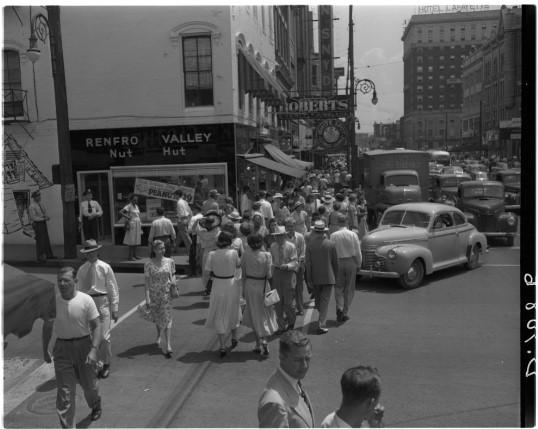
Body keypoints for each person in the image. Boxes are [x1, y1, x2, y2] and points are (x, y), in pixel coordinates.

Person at [42, 266, 102, 427]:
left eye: (66, 280)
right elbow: (47, 327)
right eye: (59, 281)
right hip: (62, 349)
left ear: (75, 281)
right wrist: (45, 350)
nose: (62, 284)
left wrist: (94, 350)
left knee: (90, 386)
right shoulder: (53, 302)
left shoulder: (86, 300)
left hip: (84, 346)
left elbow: (96, 326)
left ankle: (95, 404)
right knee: (65, 396)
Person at [76, 240, 119, 379]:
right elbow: (79, 290)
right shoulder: (82, 270)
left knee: (105, 337)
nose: (91, 255)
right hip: (88, 303)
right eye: (88, 253)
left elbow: (112, 287)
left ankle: (106, 363)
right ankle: (97, 364)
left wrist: (115, 307)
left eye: (92, 252)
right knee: (91, 337)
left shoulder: (105, 267)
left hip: (102, 302)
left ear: (97, 252)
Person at [258, 330, 314, 428]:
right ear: (281, 357)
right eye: (297, 360)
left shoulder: (294, 380)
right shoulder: (274, 404)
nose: (304, 365)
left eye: (307, 358)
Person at [204, 231, 242, 358]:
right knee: (233, 309)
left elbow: (208, 270)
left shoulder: (212, 254)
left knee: (220, 312)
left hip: (218, 284)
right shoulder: (234, 253)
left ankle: (221, 345)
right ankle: (234, 337)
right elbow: (238, 265)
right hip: (231, 284)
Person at [241, 233, 278, 356]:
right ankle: (263, 339)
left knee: (253, 313)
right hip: (263, 285)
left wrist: (242, 290)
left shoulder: (246, 255)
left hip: (250, 285)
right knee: (264, 313)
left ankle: (258, 342)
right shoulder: (267, 255)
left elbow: (244, 274)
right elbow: (269, 275)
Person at [143, 239, 177, 358]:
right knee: (157, 316)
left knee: (167, 318)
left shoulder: (170, 261)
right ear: (154, 250)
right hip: (154, 294)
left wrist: (173, 282)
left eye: (163, 248)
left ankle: (168, 345)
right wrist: (147, 298)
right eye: (160, 248)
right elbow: (147, 282)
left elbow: (173, 274)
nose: (163, 250)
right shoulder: (148, 264)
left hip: (166, 293)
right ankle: (158, 335)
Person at [305, 220, 338, 335]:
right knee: (323, 302)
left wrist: (308, 279)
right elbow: (335, 263)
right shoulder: (331, 244)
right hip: (329, 277)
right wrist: (336, 277)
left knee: (319, 302)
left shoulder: (309, 245)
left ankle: (321, 322)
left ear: (314, 231)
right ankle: (321, 322)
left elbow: (308, 264)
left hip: (315, 278)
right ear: (324, 231)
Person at [330, 213, 362, 323]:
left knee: (338, 287)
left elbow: (332, 252)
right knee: (349, 288)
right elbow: (357, 251)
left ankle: (339, 307)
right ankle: (345, 311)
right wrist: (359, 264)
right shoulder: (353, 235)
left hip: (338, 262)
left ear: (338, 222)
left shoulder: (333, 235)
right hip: (351, 261)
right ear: (347, 222)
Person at [269, 226, 298, 333]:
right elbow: (271, 261)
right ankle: (281, 326)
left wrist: (287, 266)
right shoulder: (272, 246)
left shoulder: (290, 246)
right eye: (276, 236)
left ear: (284, 236)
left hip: (288, 274)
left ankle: (291, 321)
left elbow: (295, 262)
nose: (278, 238)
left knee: (288, 302)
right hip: (276, 273)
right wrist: (270, 275)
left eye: (280, 236)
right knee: (277, 301)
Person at [284, 217, 306, 316]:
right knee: (288, 289)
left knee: (299, 288)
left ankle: (300, 307)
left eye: (292, 226)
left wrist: (299, 263)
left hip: (299, 266)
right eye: (288, 226)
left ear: (294, 226)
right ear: (285, 227)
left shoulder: (300, 237)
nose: (290, 228)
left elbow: (303, 251)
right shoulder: (283, 238)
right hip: (287, 267)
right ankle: (289, 310)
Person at [198, 210, 222, 296]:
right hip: (216, 252)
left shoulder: (202, 233)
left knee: (206, 272)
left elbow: (193, 229)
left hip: (207, 253)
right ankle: (214, 288)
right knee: (216, 271)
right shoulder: (218, 232)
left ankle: (207, 287)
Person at [29, 190, 56, 263]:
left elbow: (43, 212)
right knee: (40, 240)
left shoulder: (40, 204)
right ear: (34, 198)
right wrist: (43, 218)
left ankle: (48, 255)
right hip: (37, 224)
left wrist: (45, 216)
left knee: (46, 239)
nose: (39, 197)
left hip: (42, 223)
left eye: (39, 196)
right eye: (37, 196)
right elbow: (34, 217)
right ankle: (41, 257)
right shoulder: (32, 206)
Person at [120, 194, 143, 261]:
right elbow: (121, 212)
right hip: (132, 224)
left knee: (136, 240)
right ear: (131, 200)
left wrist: (140, 225)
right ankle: (130, 256)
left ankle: (135, 255)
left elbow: (138, 215)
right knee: (131, 241)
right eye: (134, 200)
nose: (135, 201)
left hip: (137, 224)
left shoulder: (136, 206)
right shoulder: (129, 206)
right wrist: (127, 217)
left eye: (136, 200)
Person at [174, 189, 193, 256]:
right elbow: (189, 212)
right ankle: (175, 249)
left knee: (186, 238)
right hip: (185, 219)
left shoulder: (179, 202)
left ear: (177, 195)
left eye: (175, 195)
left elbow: (182, 214)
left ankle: (191, 251)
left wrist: (180, 219)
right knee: (180, 236)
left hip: (182, 220)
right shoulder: (184, 202)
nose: (174, 196)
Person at [187, 204, 204, 276]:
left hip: (195, 236)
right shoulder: (204, 217)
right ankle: (201, 270)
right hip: (204, 237)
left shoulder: (194, 218)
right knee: (202, 254)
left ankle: (193, 272)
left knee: (193, 254)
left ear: (196, 210)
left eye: (193, 210)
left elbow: (190, 230)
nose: (192, 211)